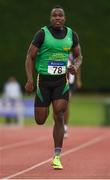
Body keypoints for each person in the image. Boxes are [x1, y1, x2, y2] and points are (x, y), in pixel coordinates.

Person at [25, 5, 82, 169]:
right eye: (54, 16)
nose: (57, 18)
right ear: (51, 18)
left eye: (60, 16)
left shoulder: (72, 35)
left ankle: (57, 156)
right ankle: (46, 106)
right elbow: (30, 56)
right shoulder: (42, 34)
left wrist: (75, 67)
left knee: (60, 114)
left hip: (60, 82)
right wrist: (29, 80)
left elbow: (79, 56)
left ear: (64, 18)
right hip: (43, 82)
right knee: (40, 119)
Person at [64, 52, 82, 138]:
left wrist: (78, 80)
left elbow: (78, 68)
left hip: (70, 84)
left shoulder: (72, 55)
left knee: (66, 104)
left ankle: (65, 127)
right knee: (57, 105)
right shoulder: (56, 51)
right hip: (58, 82)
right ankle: (58, 123)